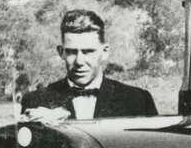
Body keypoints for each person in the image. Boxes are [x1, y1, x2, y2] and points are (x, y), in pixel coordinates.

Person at [20, 8, 158, 122]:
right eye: (71, 52)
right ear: (61, 52)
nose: (79, 61)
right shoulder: (35, 101)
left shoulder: (137, 100)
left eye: (88, 51)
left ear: (105, 52)